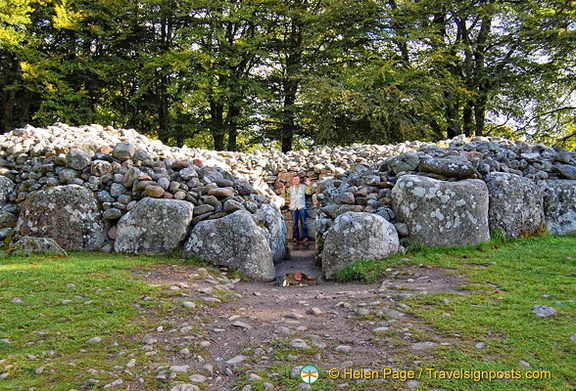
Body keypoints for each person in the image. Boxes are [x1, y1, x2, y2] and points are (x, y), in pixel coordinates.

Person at [282, 175, 314, 242]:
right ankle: (296, 237)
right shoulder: (290, 188)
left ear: (299, 180)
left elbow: (309, 192)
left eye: (297, 179)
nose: (296, 180)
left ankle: (305, 237)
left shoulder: (303, 187)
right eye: (295, 179)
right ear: (293, 181)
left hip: (302, 207)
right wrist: (284, 188)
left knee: (304, 223)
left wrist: (308, 185)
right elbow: (284, 195)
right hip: (293, 208)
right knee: (295, 223)